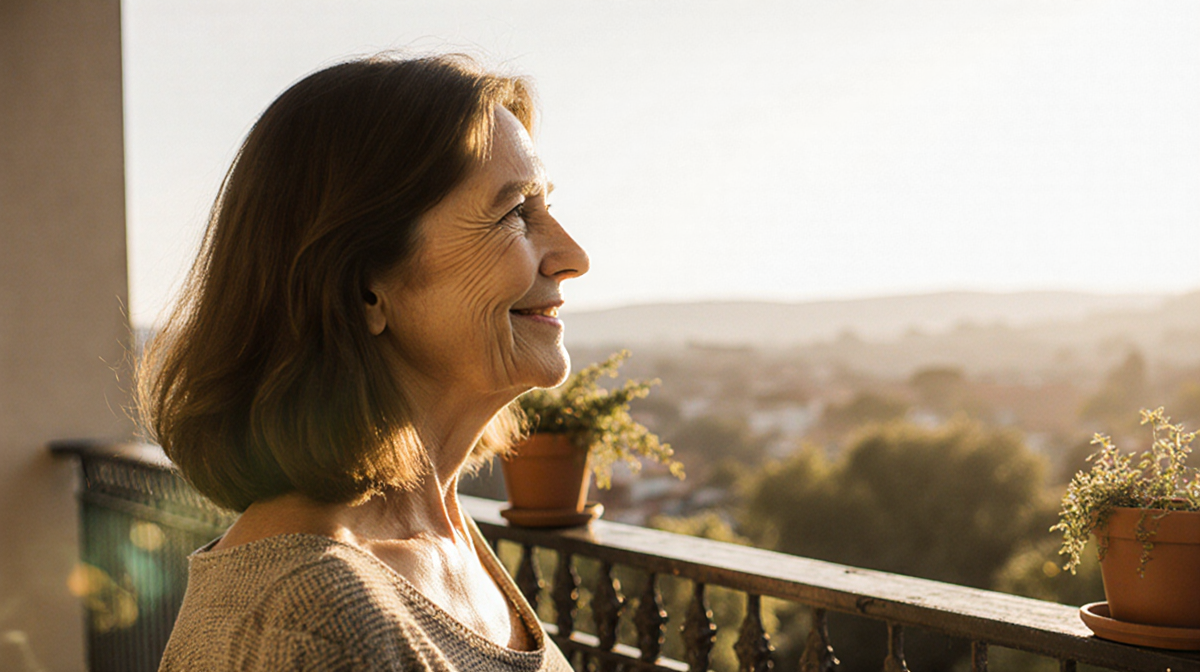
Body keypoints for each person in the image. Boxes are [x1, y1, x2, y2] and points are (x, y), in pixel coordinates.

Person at [141, 53, 589, 671]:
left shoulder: (441, 528)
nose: (573, 254)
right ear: (363, 286)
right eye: (515, 212)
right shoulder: (310, 619)